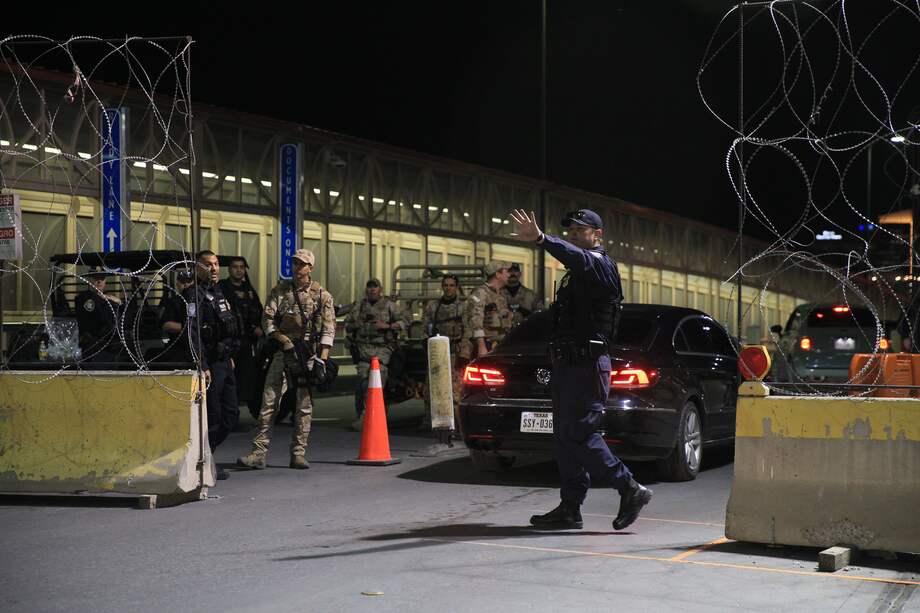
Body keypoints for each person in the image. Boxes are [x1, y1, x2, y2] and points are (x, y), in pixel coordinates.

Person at [510, 208, 653, 531]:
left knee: (580, 433)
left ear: (597, 235)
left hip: (588, 365)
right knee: (564, 436)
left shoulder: (600, 264)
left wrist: (542, 239)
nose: (574, 235)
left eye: (580, 230)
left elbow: (577, 257)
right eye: (571, 230)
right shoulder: (578, 273)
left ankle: (630, 488)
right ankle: (570, 507)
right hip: (568, 363)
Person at [237, 249, 335, 470]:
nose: (298, 267)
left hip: (307, 355)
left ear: (310, 268)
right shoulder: (280, 291)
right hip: (284, 352)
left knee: (304, 406)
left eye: (302, 264)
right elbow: (267, 320)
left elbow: (329, 329)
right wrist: (283, 339)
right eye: (295, 263)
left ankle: (298, 453)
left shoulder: (322, 296)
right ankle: (258, 453)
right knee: (269, 402)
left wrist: (322, 359)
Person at [165, 250, 241, 480]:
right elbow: (192, 333)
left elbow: (226, 325)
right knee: (213, 414)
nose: (214, 268)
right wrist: (202, 364)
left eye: (216, 264)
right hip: (208, 362)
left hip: (223, 359)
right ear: (197, 267)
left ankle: (208, 453)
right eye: (208, 264)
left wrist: (229, 354)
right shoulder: (193, 295)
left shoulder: (218, 292)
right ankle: (205, 461)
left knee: (231, 414)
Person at [344, 278, 406, 430]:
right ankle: (364, 416)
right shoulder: (359, 306)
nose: (372, 290)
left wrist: (388, 326)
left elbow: (405, 321)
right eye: (369, 287)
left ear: (380, 289)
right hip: (364, 351)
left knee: (375, 383)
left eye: (375, 287)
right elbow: (347, 324)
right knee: (363, 384)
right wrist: (356, 325)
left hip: (382, 350)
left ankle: (369, 419)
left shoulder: (389, 305)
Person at [219, 257, 264, 414]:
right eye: (235, 267)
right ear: (229, 269)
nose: (238, 270)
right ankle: (230, 414)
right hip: (227, 341)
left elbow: (259, 312)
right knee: (228, 378)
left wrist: (258, 328)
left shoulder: (249, 289)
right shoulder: (222, 287)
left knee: (246, 378)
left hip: (247, 342)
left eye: (241, 267)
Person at [422, 274, 465, 429]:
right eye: (446, 285)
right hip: (437, 352)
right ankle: (430, 421)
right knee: (431, 388)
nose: (448, 288)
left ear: (456, 287)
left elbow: (468, 330)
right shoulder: (433, 306)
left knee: (455, 390)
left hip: (455, 351)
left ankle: (457, 424)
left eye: (451, 285)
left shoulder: (463, 306)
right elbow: (425, 327)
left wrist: (464, 352)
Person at [460, 260, 513, 360]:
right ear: (497, 274)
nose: (509, 275)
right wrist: (481, 346)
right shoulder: (480, 293)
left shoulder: (501, 295)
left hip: (498, 346)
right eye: (506, 271)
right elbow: (475, 321)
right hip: (486, 346)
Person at [74, 270, 124, 363]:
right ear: (90, 280)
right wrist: (109, 300)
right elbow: (101, 318)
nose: (99, 281)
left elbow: (121, 317)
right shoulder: (85, 298)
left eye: (102, 278)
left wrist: (117, 301)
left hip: (110, 344)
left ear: (105, 281)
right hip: (94, 345)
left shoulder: (108, 298)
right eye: (96, 278)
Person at [158, 268, 195, 364]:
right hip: (180, 347)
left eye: (189, 281)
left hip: (198, 347)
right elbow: (166, 325)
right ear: (177, 283)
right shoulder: (173, 302)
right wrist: (191, 328)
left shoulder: (200, 300)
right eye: (183, 282)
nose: (186, 285)